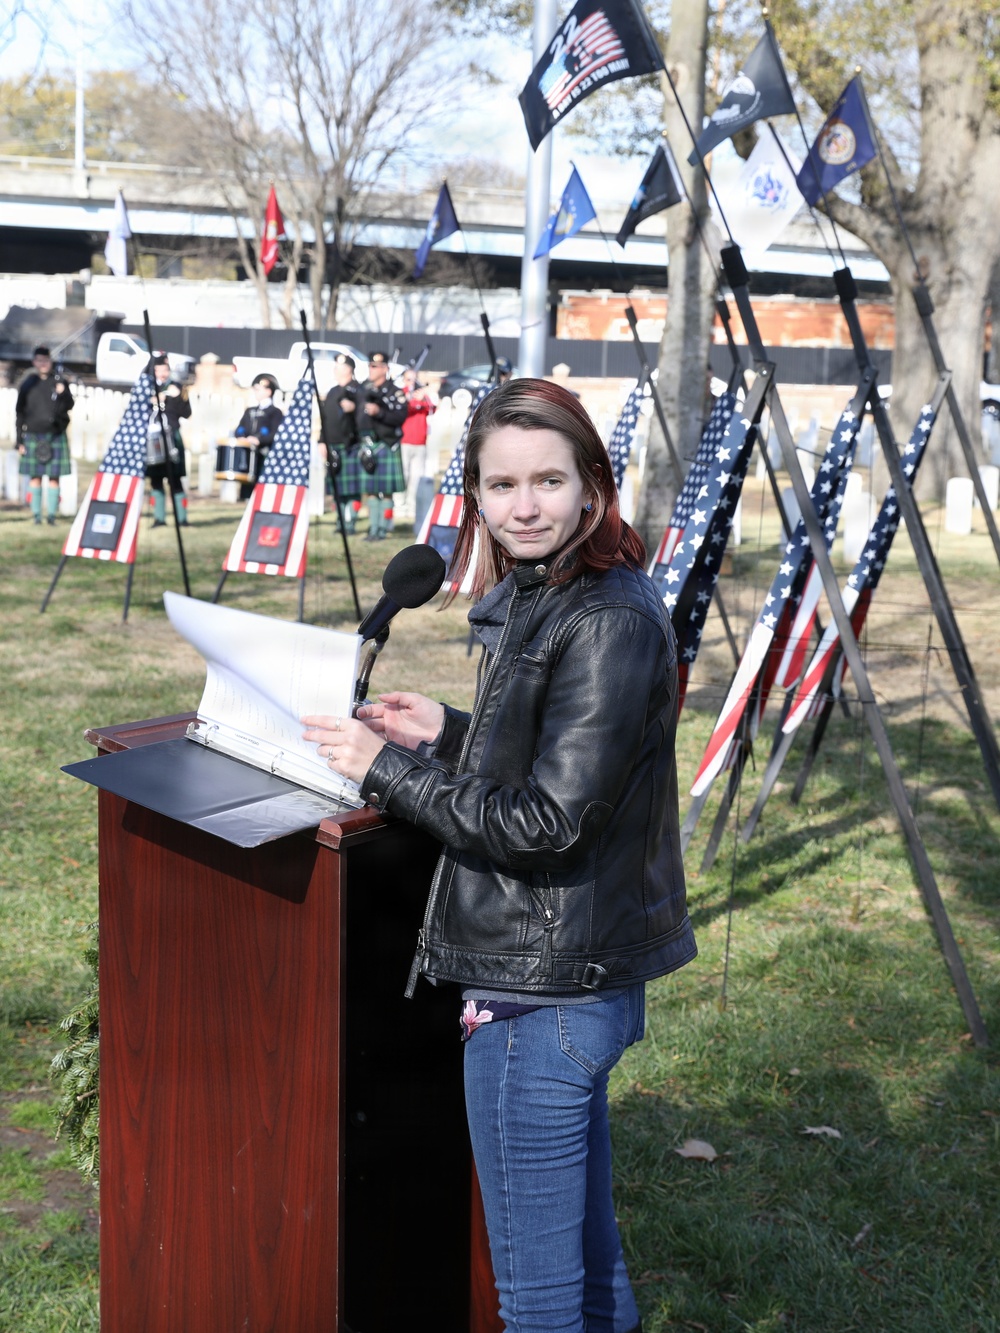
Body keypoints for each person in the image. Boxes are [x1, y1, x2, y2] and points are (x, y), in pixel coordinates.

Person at [303, 378, 695, 1333]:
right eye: (502, 484)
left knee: (539, 1305)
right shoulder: (553, 588)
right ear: (473, 494)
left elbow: (549, 821)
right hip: (560, 976)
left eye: (549, 481)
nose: (525, 506)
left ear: (594, 486)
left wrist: (385, 773)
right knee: (590, 1280)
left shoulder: (604, 616)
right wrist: (447, 733)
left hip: (541, 994)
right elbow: (566, 756)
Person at [16, 345, 74, 526]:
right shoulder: (28, 384)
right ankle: (36, 516)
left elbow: (70, 405)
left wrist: (63, 394)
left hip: (55, 435)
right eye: (39, 360)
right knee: (35, 477)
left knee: (54, 478)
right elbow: (20, 413)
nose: (43, 364)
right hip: (33, 435)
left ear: (51, 361)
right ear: (34, 362)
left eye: (46, 360)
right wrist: (19, 440)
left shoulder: (60, 382)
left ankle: (51, 516)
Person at [358, 351, 407, 541]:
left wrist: (379, 412)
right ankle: (373, 527)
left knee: (386, 491)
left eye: (375, 366)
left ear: (385, 368)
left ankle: (383, 529)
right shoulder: (364, 390)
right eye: (370, 365)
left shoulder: (395, 392)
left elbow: (400, 417)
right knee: (370, 489)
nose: (371, 369)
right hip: (367, 442)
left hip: (387, 443)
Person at [319, 354, 363, 534]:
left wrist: (353, 408)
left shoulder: (359, 391)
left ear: (348, 369)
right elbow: (325, 419)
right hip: (332, 445)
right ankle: (339, 522)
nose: (335, 370)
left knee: (352, 489)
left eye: (338, 367)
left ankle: (350, 522)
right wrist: (322, 441)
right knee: (337, 487)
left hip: (351, 446)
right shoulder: (332, 391)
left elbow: (363, 418)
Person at [146, 354, 191, 526]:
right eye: (159, 370)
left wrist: (177, 397)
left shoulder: (177, 387)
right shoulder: (148, 387)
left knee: (176, 479)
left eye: (165, 370)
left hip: (172, 435)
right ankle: (159, 519)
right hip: (153, 438)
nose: (163, 373)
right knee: (156, 480)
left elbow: (187, 413)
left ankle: (182, 519)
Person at [233, 373, 283, 500]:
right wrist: (242, 437)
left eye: (258, 389)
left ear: (268, 391)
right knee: (247, 489)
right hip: (248, 455)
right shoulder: (249, 410)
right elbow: (240, 429)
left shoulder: (275, 412)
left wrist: (258, 440)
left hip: (264, 454)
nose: (255, 392)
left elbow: (275, 434)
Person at [398, 366, 436, 522]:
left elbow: (432, 409)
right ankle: (399, 506)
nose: (411, 382)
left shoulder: (423, 395)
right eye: (408, 379)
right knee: (403, 475)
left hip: (420, 442)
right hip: (404, 441)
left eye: (414, 379)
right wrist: (413, 398)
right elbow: (404, 408)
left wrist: (424, 397)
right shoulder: (402, 393)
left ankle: (412, 507)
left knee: (416, 477)